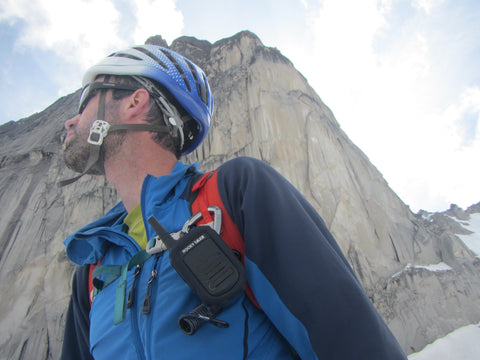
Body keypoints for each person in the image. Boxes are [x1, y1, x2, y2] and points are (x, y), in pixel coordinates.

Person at [60, 44, 407, 360]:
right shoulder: (92, 269)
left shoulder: (232, 195)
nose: (71, 119)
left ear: (135, 102)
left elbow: (350, 339)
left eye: (87, 100)